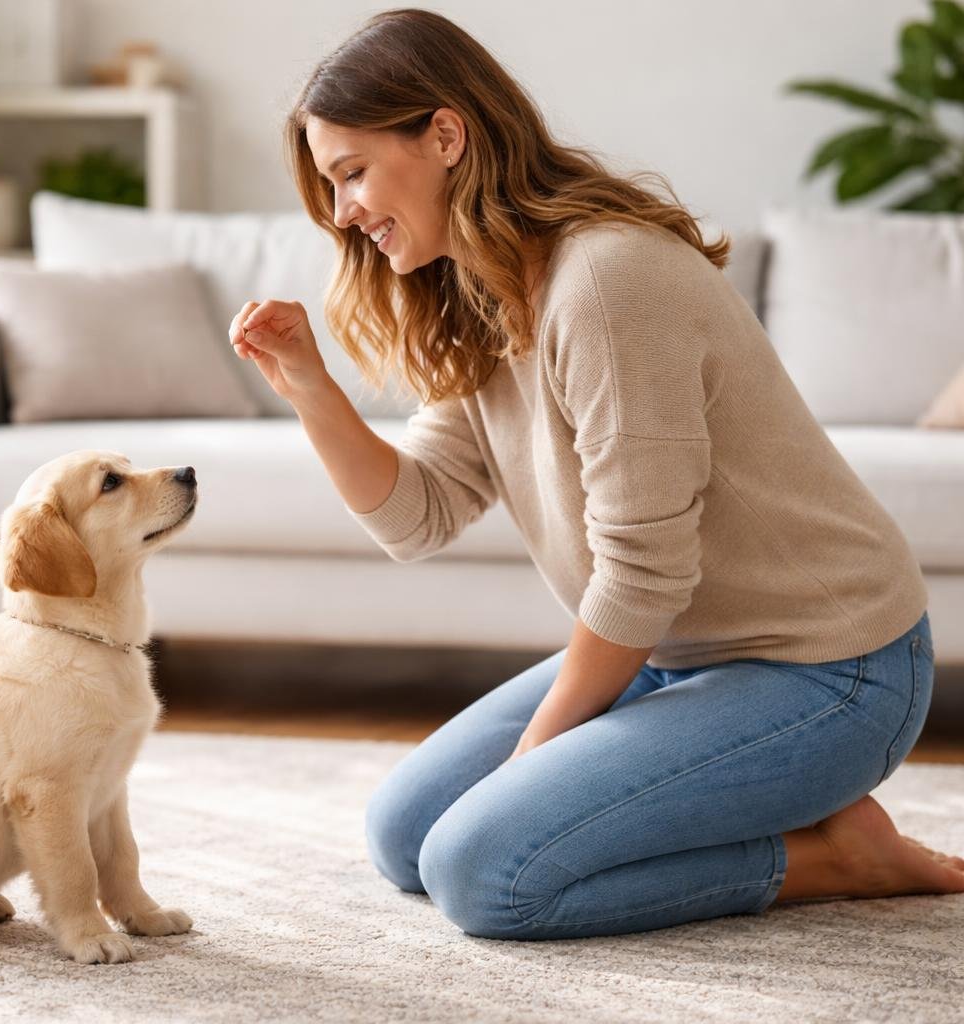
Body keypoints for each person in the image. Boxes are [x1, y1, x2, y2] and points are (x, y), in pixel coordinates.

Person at [228, 7, 964, 940]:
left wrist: (533, 773)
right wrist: (309, 386)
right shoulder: (490, 289)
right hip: (677, 659)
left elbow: (644, 573)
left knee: (483, 870)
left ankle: (836, 858)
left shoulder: (607, 283)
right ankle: (767, 805)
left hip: (831, 672)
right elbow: (416, 520)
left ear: (445, 134)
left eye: (353, 173)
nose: (343, 213)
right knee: (403, 833)